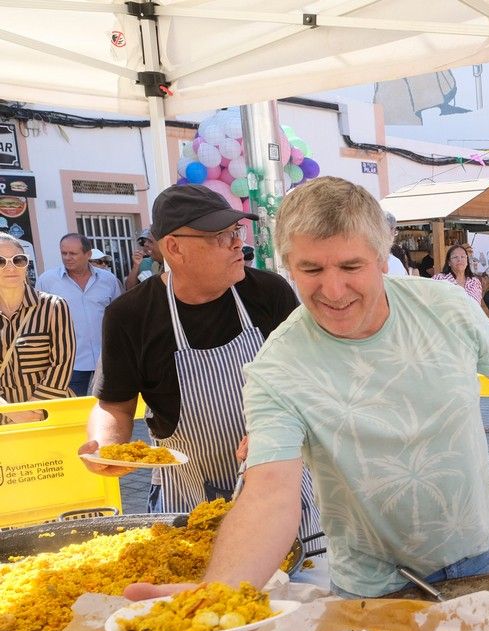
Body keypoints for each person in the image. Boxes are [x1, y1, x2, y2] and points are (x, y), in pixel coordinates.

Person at [123, 177, 489, 601]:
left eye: (350, 265)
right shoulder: (278, 366)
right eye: (311, 269)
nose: (333, 288)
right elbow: (269, 494)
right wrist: (216, 593)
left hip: (484, 560)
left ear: (383, 258)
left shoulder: (446, 308)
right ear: (288, 267)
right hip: (371, 589)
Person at [80, 183, 323, 550]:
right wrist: (108, 448)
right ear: (174, 247)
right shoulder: (130, 315)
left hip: (279, 480)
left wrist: (282, 425)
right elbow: (114, 402)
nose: (237, 244)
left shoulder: (268, 293)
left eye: (236, 232)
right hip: (189, 492)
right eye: (220, 237)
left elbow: (312, 376)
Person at [0, 232, 74, 423]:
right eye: (1, 261)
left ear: (26, 264)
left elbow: (62, 363)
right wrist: (12, 412)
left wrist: (34, 411)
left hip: (49, 415)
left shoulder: (54, 306)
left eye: (18, 260)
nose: (11, 267)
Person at [36, 232, 122, 396]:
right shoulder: (47, 281)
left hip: (106, 359)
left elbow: (118, 316)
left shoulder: (108, 280)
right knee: (74, 410)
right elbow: (38, 320)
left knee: (109, 407)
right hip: (69, 361)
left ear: (88, 254)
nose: (67, 257)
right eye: (64, 253)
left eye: (73, 253)